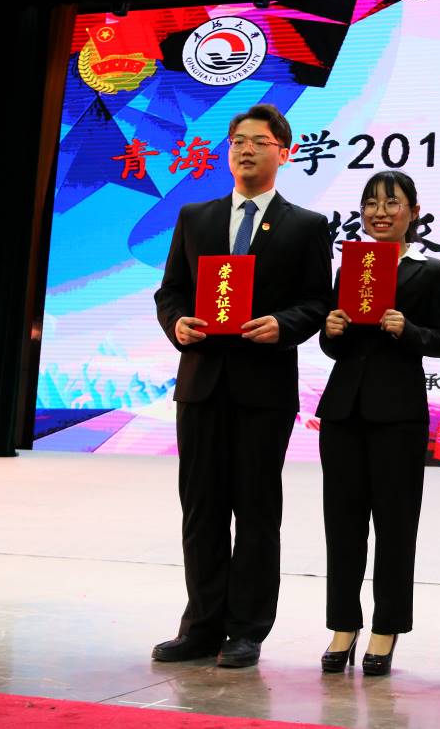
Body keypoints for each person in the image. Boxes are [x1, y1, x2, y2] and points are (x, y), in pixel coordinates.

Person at [152, 103, 332, 667]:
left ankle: (247, 628)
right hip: (201, 384)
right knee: (201, 507)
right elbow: (170, 291)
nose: (245, 150)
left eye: (258, 141)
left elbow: (317, 301)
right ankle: (201, 625)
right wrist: (177, 324)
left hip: (263, 388)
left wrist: (283, 325)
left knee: (255, 509)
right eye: (237, 141)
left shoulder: (306, 225)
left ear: (285, 152)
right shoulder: (195, 217)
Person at [315, 170, 440, 676]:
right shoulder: (350, 267)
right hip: (342, 411)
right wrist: (330, 330)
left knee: (395, 526)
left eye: (392, 203)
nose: (380, 212)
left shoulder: (432, 272)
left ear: (413, 212)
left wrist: (409, 329)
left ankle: (386, 627)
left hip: (398, 414)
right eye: (371, 203)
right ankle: (342, 626)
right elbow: (334, 348)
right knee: (342, 525)